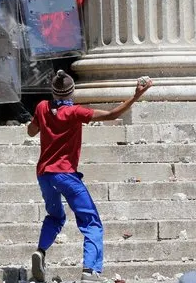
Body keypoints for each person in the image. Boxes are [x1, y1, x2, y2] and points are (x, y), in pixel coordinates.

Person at [27, 70, 153, 283]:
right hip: (65, 174)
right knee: (91, 222)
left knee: (55, 217)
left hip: (44, 175)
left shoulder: (41, 107)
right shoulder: (75, 112)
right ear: (72, 92)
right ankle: (89, 271)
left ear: (53, 91)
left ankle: (41, 251)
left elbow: (31, 132)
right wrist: (136, 95)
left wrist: (42, 119)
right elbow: (112, 115)